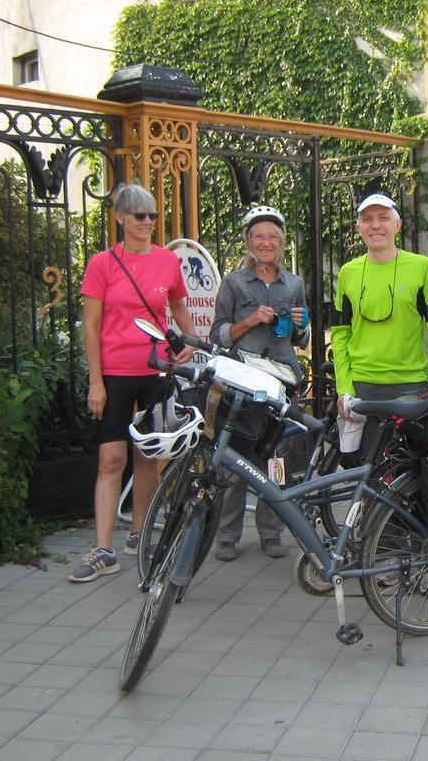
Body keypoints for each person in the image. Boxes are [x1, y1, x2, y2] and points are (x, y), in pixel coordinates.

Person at [71, 183, 196, 582]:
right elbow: (91, 326)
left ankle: (139, 532)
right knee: (111, 460)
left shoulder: (166, 262)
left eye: (153, 216)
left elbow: (177, 303)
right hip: (115, 373)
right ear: (120, 217)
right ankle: (103, 548)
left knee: (148, 456)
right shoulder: (102, 264)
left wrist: (190, 342)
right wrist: (96, 382)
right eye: (139, 215)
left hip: (156, 369)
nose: (147, 223)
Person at [209, 205, 309, 561]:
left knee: (276, 460)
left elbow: (302, 340)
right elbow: (218, 334)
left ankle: (271, 532)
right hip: (244, 382)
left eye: (272, 237)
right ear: (249, 242)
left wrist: (301, 324)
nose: (266, 243)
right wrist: (251, 319)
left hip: (281, 381)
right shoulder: (234, 283)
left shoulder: (294, 283)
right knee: (234, 459)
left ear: (281, 243)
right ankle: (226, 536)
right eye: (259, 236)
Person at [331, 193, 428, 458]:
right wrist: (345, 388)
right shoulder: (348, 272)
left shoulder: (421, 267)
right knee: (367, 473)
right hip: (363, 386)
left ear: (398, 225)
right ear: (358, 227)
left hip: (410, 387)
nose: (375, 225)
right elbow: (340, 334)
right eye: (367, 219)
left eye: (383, 218)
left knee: (412, 468)